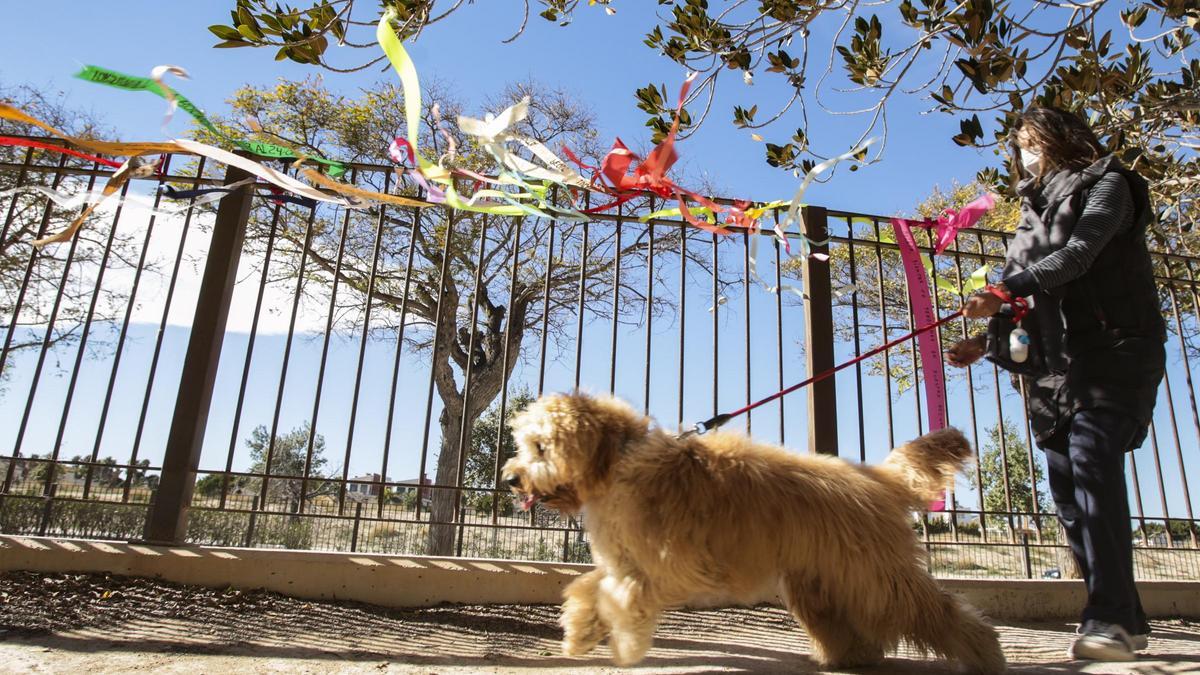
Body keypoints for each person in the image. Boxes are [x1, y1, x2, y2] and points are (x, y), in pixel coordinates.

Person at [945, 106, 1166, 662]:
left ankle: (1110, 618)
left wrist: (1001, 290)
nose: (1027, 154)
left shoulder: (1110, 184)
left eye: (1033, 141)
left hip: (1116, 349)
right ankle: (1126, 618)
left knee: (1092, 460)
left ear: (1063, 138)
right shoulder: (1030, 215)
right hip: (1053, 367)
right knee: (1068, 490)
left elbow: (1079, 254)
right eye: (1019, 146)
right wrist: (986, 341)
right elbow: (1023, 294)